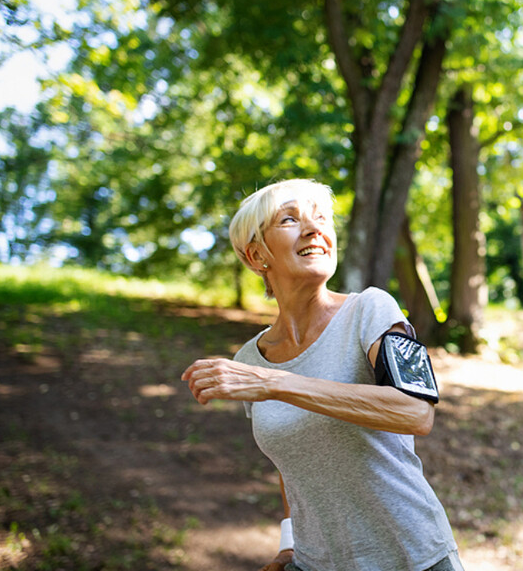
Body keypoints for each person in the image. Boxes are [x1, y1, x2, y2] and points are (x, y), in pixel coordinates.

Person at [181, 179, 463, 571]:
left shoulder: (371, 310)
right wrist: (289, 545)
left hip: (413, 557)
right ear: (256, 254)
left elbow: (416, 411)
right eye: (289, 219)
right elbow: (294, 461)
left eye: (322, 218)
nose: (314, 228)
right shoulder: (250, 359)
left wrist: (275, 384)